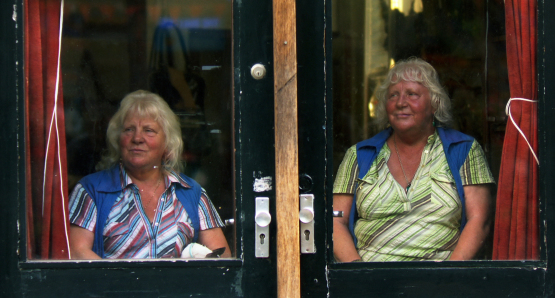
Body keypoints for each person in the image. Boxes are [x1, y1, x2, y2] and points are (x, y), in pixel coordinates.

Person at [333, 58, 495, 262]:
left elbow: (480, 220)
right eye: (393, 95)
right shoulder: (359, 155)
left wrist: (449, 277)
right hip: (371, 281)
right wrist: (359, 273)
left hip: (440, 281)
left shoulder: (463, 150)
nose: (401, 103)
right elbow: (335, 221)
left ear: (434, 103)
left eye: (412, 94)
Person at [68, 90, 231, 259]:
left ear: (167, 142)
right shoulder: (92, 190)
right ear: (118, 139)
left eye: (149, 130)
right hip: (114, 285)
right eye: (129, 129)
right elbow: (76, 251)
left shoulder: (191, 192)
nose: (137, 138)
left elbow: (222, 256)